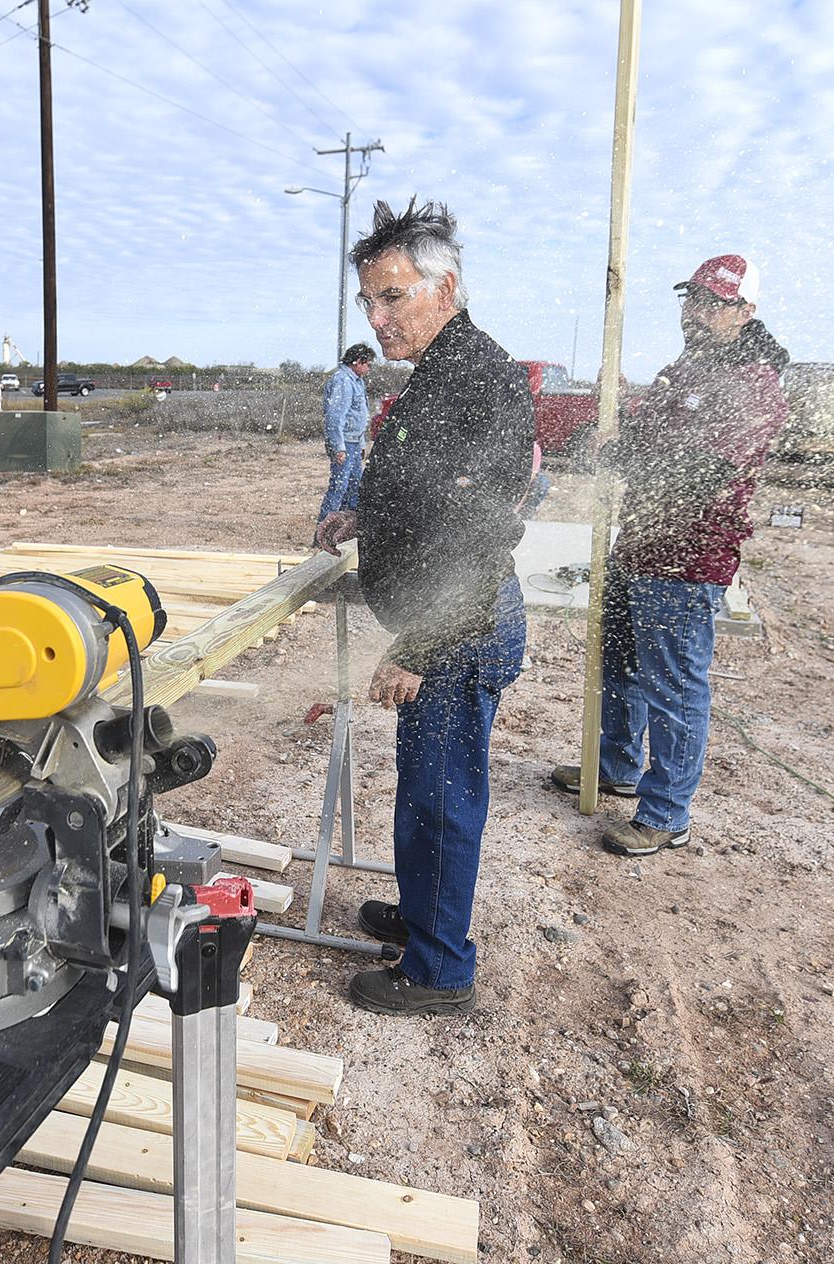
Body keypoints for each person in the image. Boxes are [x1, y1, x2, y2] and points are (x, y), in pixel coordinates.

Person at [315, 199, 534, 1015]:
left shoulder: (478, 378)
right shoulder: (442, 373)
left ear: (446, 289)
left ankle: (440, 971)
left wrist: (419, 648)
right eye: (367, 302)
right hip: (445, 624)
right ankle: (420, 917)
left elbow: (479, 535)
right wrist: (364, 516)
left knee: (441, 801)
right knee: (422, 787)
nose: (377, 317)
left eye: (392, 298)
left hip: (459, 629)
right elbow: (429, 494)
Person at [549, 254, 789, 856]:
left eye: (714, 302)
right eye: (693, 299)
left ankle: (666, 813)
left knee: (675, 686)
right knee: (621, 668)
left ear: (745, 312)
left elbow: (703, 470)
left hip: (687, 559)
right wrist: (617, 440)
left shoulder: (752, 385)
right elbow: (648, 436)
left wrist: (622, 458)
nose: (698, 311)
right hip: (639, 544)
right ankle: (618, 768)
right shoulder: (687, 369)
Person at [318, 342, 375, 520]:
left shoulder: (356, 382)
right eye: (368, 364)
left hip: (353, 442)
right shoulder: (343, 381)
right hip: (345, 443)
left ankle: (342, 533)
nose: (369, 368)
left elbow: (357, 415)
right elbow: (335, 417)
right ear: (358, 362)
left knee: (353, 488)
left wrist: (360, 443)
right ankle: (324, 534)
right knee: (339, 488)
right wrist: (339, 447)